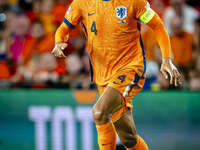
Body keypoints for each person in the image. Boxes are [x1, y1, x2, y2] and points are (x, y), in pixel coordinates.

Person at [52, 0, 182, 149]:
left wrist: (166, 59)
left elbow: (157, 25)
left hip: (130, 68)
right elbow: (64, 27)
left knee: (99, 112)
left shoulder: (133, 2)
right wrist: (58, 41)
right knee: (128, 137)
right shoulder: (82, 3)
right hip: (103, 76)